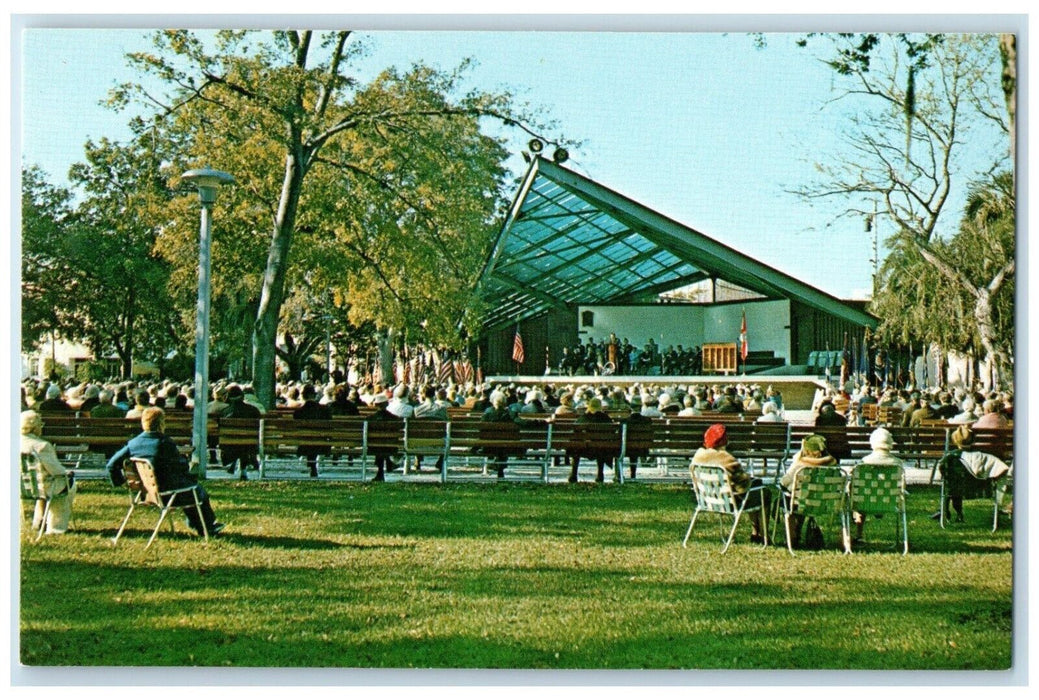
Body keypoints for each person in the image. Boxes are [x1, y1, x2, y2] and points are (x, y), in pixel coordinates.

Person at [106, 407, 223, 537]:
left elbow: (111, 465)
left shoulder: (133, 443)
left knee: (188, 488)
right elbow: (180, 467)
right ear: (162, 424)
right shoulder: (164, 443)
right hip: (166, 494)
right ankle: (206, 527)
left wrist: (121, 482)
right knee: (196, 490)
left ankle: (201, 526)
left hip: (145, 492)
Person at [691, 424, 767, 543]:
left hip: (707, 500)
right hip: (728, 503)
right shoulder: (727, 460)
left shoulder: (698, 458)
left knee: (756, 489)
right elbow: (743, 486)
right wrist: (751, 479)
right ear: (725, 442)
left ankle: (756, 533)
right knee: (763, 492)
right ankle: (761, 534)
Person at [935, 425, 1011, 522]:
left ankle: (944, 510)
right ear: (973, 440)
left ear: (954, 441)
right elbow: (1002, 469)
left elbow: (942, 470)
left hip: (956, 488)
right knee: (954, 483)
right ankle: (954, 514)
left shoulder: (950, 457)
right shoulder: (984, 457)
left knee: (952, 483)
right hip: (982, 489)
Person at [20, 410, 77, 535]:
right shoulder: (42, 446)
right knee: (68, 484)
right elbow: (57, 471)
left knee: (41, 484)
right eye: (41, 424)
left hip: (21, 487)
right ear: (35, 428)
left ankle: (38, 522)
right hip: (43, 487)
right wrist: (67, 473)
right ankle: (56, 527)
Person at [778, 434, 838, 548]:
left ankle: (792, 538)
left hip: (800, 503)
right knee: (802, 497)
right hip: (824, 503)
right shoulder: (834, 465)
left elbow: (784, 482)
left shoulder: (799, 466)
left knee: (791, 499)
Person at [219, 384, 261, 480]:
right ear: (242, 396)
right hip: (250, 444)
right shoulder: (253, 410)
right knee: (244, 443)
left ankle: (235, 463)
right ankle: (243, 470)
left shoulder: (224, 412)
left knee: (238, 442)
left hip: (228, 444)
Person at [568, 397, 614, 483]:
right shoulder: (606, 418)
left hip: (583, 449)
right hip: (601, 449)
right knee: (601, 447)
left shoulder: (583, 418)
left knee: (575, 446)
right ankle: (600, 474)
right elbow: (612, 433)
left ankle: (573, 474)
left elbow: (575, 433)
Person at [293, 383, 333, 477]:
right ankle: (312, 465)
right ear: (314, 395)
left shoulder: (298, 412)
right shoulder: (325, 410)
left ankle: (311, 464)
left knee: (308, 439)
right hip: (322, 444)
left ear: (303, 396)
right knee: (314, 439)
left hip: (303, 444)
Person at [367, 393, 403, 482]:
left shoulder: (370, 419)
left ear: (375, 405)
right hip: (391, 447)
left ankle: (381, 472)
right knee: (383, 444)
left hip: (373, 447)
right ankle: (387, 466)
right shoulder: (395, 419)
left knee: (379, 445)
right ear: (387, 404)